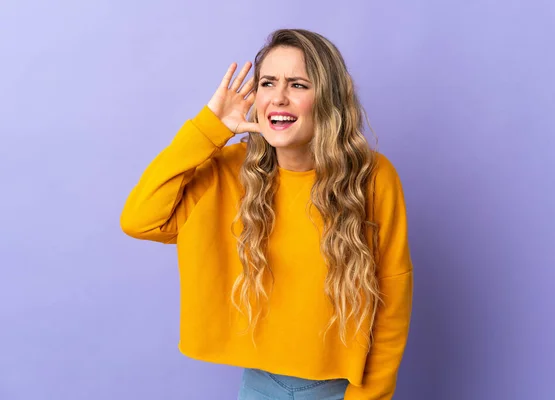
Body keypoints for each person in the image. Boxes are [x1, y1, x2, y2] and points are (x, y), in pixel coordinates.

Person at [120, 28, 413, 399]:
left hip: (337, 390)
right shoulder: (227, 169)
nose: (279, 98)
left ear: (328, 97)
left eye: (298, 85)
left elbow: (391, 303)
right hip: (258, 385)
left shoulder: (372, 178)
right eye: (268, 83)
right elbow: (140, 218)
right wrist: (210, 129)